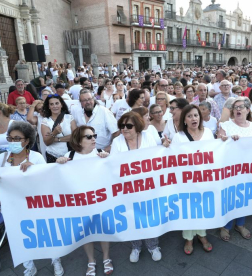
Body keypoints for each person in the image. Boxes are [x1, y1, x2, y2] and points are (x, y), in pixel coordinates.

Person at [0, 121, 64, 276]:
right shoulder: (2, 159)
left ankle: (55, 260)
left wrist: (34, 170)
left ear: (27, 140)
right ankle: (29, 266)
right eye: (10, 138)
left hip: (37, 205)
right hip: (13, 207)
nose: (13, 142)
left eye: (18, 138)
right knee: (20, 237)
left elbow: (48, 181)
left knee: (46, 233)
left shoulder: (36, 157)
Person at [55, 126, 112, 275]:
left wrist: (109, 160)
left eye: (94, 135)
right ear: (78, 141)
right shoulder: (70, 156)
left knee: (102, 230)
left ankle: (106, 257)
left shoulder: (101, 154)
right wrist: (59, 163)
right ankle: (91, 260)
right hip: (81, 203)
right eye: (89, 137)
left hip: (100, 200)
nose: (94, 138)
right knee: (86, 232)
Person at [110, 112, 162, 262]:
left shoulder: (147, 137)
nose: (124, 129)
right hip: (127, 189)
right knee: (132, 217)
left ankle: (153, 246)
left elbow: (155, 159)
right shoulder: (117, 141)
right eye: (122, 126)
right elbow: (113, 165)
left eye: (129, 126)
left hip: (148, 186)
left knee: (149, 217)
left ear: (137, 126)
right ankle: (136, 246)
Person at [171, 105, 213, 254]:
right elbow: (173, 159)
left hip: (205, 178)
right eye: (189, 116)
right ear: (185, 120)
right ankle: (188, 237)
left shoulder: (208, 132)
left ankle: (202, 234)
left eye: (196, 115)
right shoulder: (178, 137)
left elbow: (214, 154)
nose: (193, 118)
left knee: (201, 207)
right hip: (186, 180)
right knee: (188, 208)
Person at [217, 98, 252, 241]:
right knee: (230, 197)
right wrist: (227, 138)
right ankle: (226, 226)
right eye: (235, 107)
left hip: (248, 169)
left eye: (241, 107)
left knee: (244, 197)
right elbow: (218, 142)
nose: (238, 109)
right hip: (231, 169)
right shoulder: (226, 125)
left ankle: (240, 224)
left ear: (248, 110)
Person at [41, 95, 77, 163]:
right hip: (52, 155)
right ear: (49, 107)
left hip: (70, 154)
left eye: (57, 103)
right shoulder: (45, 121)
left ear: (61, 104)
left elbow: (75, 137)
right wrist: (54, 133)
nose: (55, 106)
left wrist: (57, 139)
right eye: (52, 104)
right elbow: (47, 142)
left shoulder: (69, 118)